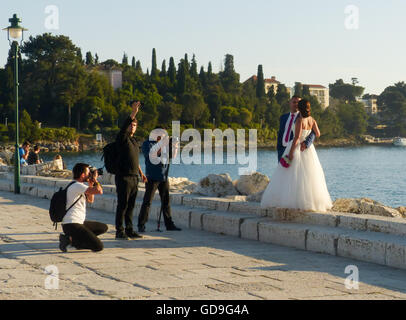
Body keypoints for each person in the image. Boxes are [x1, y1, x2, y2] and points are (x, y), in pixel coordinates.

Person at [261, 99, 333, 212]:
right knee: (307, 176)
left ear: (299, 108)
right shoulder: (312, 120)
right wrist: (307, 139)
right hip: (309, 151)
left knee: (292, 175)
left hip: (297, 148)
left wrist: (290, 154)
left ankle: (290, 200)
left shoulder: (300, 120)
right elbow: (318, 133)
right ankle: (308, 201)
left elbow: (296, 138)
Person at [114, 100, 148, 240]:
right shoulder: (122, 139)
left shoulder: (134, 142)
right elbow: (123, 127)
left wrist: (141, 173)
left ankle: (129, 229)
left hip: (134, 177)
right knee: (122, 205)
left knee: (131, 206)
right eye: (130, 124)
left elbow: (135, 160)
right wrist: (134, 112)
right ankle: (119, 231)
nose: (132, 127)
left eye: (134, 125)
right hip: (123, 177)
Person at [138, 127, 182, 232]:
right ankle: (141, 224)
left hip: (163, 177)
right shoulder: (147, 144)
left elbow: (173, 156)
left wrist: (175, 146)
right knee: (147, 202)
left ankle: (169, 225)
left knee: (166, 202)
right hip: (152, 177)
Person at [59, 163, 107, 252]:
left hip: (77, 223)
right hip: (72, 224)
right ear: (82, 175)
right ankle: (72, 243)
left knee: (103, 227)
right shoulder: (77, 185)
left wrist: (91, 183)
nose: (90, 175)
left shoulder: (78, 186)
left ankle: (71, 239)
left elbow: (90, 200)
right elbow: (99, 191)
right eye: (88, 173)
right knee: (98, 246)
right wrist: (96, 180)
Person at [277, 96, 316, 163]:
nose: (296, 104)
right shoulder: (283, 117)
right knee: (283, 171)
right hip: (282, 149)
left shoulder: (304, 117)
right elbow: (281, 133)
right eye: (294, 102)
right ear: (290, 103)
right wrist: (279, 147)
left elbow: (313, 132)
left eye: (298, 102)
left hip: (296, 149)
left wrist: (307, 143)